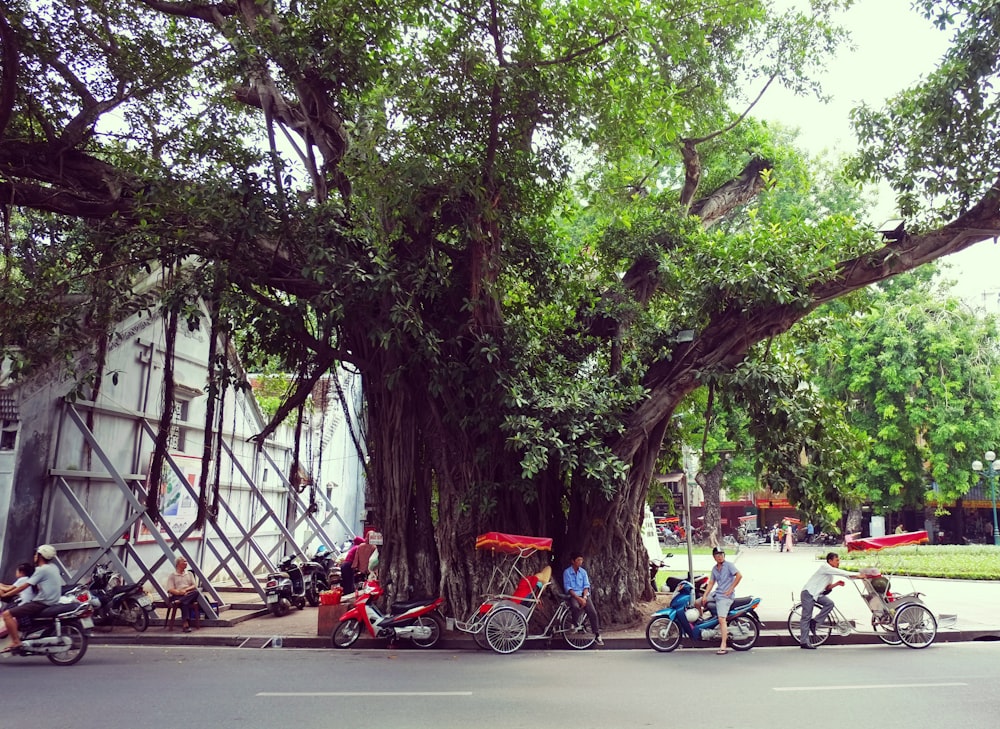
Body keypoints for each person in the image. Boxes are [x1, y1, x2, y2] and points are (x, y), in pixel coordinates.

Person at [1, 545, 65, 653]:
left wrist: (5, 596)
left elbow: (22, 587)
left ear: (40, 556)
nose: (35, 556)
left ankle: (16, 641)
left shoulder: (41, 570)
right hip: (52, 600)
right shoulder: (53, 567)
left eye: (36, 554)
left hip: (42, 602)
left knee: (7, 614)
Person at [798, 551, 860, 649]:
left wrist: (837, 584)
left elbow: (827, 587)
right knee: (806, 617)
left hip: (817, 594)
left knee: (829, 604)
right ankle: (804, 642)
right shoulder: (825, 567)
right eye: (837, 560)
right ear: (830, 560)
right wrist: (858, 574)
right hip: (809, 593)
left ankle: (815, 622)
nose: (838, 562)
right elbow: (842, 573)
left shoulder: (830, 573)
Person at [697, 546, 741, 654]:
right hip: (717, 593)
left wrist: (731, 589)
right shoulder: (714, 568)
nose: (720, 556)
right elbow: (711, 582)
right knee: (697, 602)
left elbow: (739, 575)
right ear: (714, 557)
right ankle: (702, 622)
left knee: (722, 619)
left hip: (726, 596)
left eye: (721, 554)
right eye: (717, 555)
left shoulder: (729, 565)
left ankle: (724, 644)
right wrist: (705, 595)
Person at [562, 552, 603, 646]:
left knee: (593, 612)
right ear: (573, 561)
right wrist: (578, 598)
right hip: (573, 595)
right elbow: (568, 588)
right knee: (575, 607)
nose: (580, 562)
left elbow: (586, 586)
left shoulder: (583, 572)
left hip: (584, 595)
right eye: (578, 560)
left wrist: (584, 597)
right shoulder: (567, 572)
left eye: (581, 560)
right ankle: (574, 623)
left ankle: (596, 634)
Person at [166, 556, 200, 632]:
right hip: (177, 595)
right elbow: (170, 589)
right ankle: (185, 625)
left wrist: (185, 590)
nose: (186, 563)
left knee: (196, 592)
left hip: (188, 594)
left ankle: (180, 601)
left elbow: (194, 586)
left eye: (186, 561)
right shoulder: (172, 575)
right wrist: (179, 592)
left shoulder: (190, 574)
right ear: (178, 564)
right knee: (185, 603)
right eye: (184, 562)